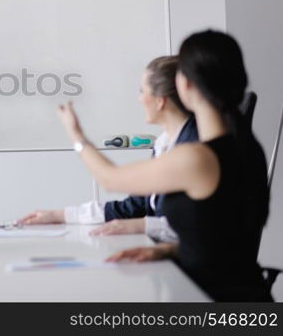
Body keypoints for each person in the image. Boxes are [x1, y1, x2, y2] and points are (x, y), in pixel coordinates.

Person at [56, 30, 271, 301]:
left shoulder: (198, 158)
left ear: (186, 85)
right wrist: (167, 250)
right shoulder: (247, 147)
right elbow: (222, 236)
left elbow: (109, 179)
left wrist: (76, 135)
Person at [18, 56, 198, 242]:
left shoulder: (193, 145)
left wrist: (76, 135)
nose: (139, 99)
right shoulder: (164, 144)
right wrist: (59, 215)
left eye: (141, 91)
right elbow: (134, 207)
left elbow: (201, 224)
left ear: (160, 101)